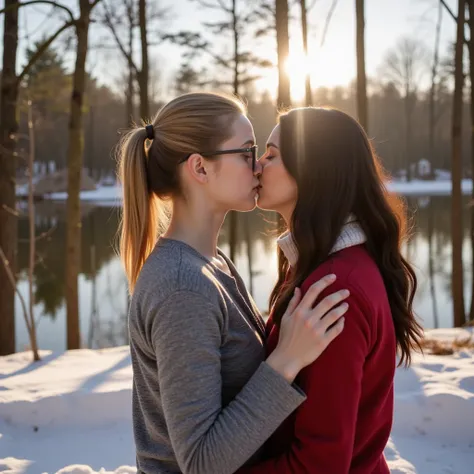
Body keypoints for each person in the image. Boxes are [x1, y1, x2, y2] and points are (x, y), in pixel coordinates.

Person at [117, 93, 349, 474]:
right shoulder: (183, 287)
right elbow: (202, 462)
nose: (258, 165)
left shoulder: (210, 263)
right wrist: (286, 360)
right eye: (245, 152)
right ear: (200, 168)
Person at [238, 107, 424, 474]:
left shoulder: (336, 290)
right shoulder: (327, 264)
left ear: (313, 172)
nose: (257, 166)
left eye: (272, 155)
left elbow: (320, 464)